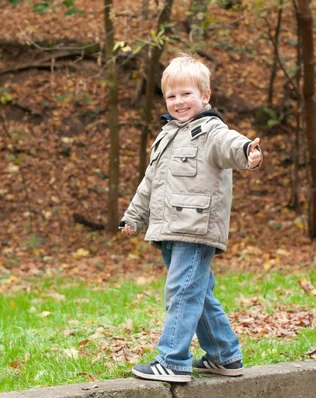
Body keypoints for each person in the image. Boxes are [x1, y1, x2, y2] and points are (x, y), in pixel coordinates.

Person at [119, 53, 262, 383]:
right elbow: (151, 183)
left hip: (197, 228)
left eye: (187, 94)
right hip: (169, 228)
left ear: (205, 96)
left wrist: (247, 154)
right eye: (172, 96)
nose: (179, 101)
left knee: (182, 292)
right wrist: (133, 217)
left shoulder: (210, 131)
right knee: (198, 292)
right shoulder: (167, 135)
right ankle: (224, 356)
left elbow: (231, 145)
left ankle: (172, 360)